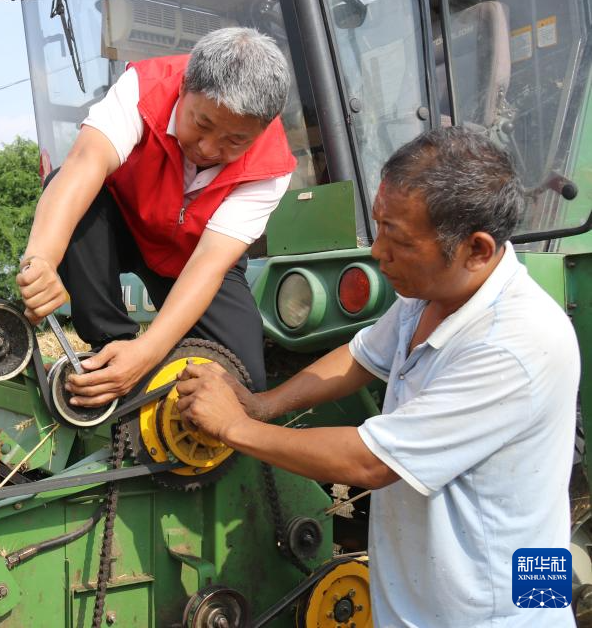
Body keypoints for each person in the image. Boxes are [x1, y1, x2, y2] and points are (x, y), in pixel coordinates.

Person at [175, 126, 579, 626]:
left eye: (399, 239)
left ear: (476, 250)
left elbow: (372, 463)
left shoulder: (517, 343)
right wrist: (261, 404)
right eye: (379, 226)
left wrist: (236, 428)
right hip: (416, 601)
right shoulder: (433, 294)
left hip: (491, 614)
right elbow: (359, 357)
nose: (377, 251)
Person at [16, 27, 296, 406]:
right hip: (125, 224)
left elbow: (210, 263)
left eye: (235, 142)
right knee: (71, 189)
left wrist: (150, 351)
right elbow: (84, 164)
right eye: (202, 124)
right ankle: (110, 348)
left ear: (262, 129)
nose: (209, 148)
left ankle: (145, 366)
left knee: (244, 378)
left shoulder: (272, 165)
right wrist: (42, 259)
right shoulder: (142, 88)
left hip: (194, 254)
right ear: (183, 89)